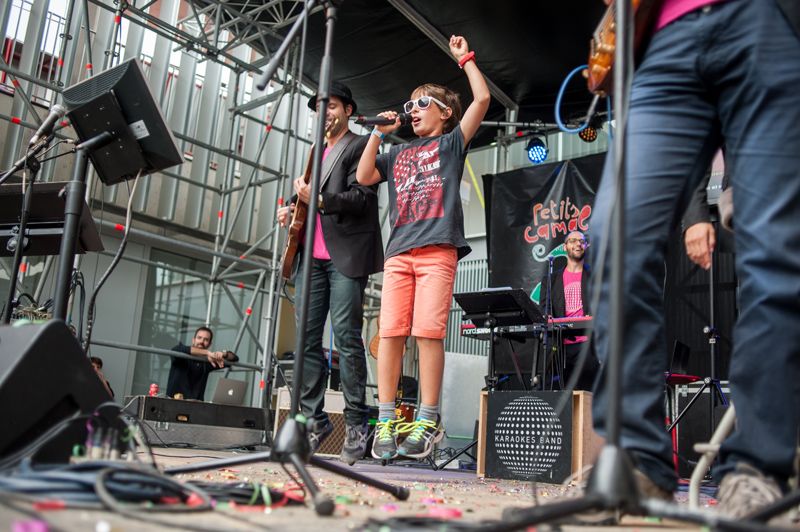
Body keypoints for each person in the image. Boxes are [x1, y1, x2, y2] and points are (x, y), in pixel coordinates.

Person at [588, 0, 800, 518]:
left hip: (767, 21)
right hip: (666, 39)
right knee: (613, 237)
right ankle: (637, 458)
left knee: (774, 252)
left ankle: (756, 464)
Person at [356, 35, 490, 461]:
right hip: (399, 253)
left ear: (445, 114)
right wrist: (379, 133)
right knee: (391, 333)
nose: (412, 112)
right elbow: (362, 177)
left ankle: (429, 418)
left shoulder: (450, 144)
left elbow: (483, 98)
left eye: (422, 104)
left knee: (427, 332)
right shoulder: (398, 154)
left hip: (437, 250)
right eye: (409, 106)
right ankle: (386, 418)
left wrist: (464, 59)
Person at [277, 81, 383, 465]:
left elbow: (361, 198)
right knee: (304, 340)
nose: (327, 112)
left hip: (345, 257)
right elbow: (304, 197)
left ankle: (357, 424)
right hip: (310, 259)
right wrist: (291, 210)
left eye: (333, 105)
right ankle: (314, 419)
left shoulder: (358, 147)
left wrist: (318, 200)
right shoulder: (315, 153)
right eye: (321, 107)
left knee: (347, 339)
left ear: (349, 110)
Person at [546, 231, 599, 391]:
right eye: (573, 241)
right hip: (560, 347)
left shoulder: (595, 276)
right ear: (565, 247)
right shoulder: (551, 279)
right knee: (562, 395)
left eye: (582, 241)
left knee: (587, 394)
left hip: (588, 345)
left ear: (586, 246)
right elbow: (545, 309)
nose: (578, 244)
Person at [166, 326, 237, 401]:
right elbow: (176, 350)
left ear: (209, 344)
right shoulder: (181, 353)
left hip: (197, 405)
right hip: (174, 402)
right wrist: (207, 352)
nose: (201, 341)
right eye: (199, 338)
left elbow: (234, 358)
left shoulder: (208, 361)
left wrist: (223, 354)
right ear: (193, 340)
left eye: (206, 340)